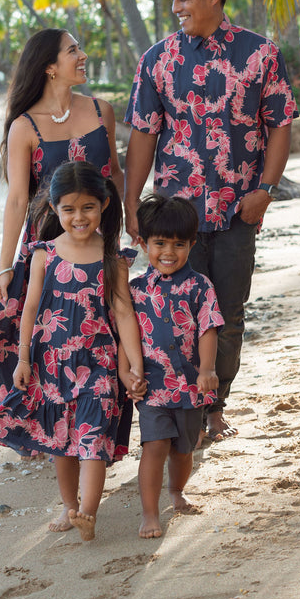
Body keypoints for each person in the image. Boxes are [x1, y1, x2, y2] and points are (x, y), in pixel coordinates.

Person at [124, 0, 297, 443]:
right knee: (171, 312)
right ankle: (181, 411)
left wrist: (265, 191)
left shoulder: (260, 54)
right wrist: (132, 202)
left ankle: (213, 407)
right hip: (176, 216)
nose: (176, 8)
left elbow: (280, 125)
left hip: (239, 210)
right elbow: (143, 133)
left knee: (228, 312)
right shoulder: (158, 60)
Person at [0, 28, 123, 405]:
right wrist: (4, 267)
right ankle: (46, 421)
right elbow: (18, 199)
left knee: (100, 327)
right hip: (45, 251)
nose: (82, 56)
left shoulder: (101, 112)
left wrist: (128, 221)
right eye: (72, 50)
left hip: (99, 238)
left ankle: (93, 415)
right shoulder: (24, 126)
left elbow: (114, 172)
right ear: (49, 67)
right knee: (45, 334)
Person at [0, 162, 145, 542]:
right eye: (69, 209)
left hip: (100, 364)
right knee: (62, 443)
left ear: (104, 204)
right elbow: (29, 309)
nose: (79, 217)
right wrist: (23, 359)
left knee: (93, 441)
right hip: (53, 365)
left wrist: (134, 364)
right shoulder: (45, 254)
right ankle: (68, 505)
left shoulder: (113, 259)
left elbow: (123, 312)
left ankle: (88, 513)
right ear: (54, 209)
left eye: (88, 207)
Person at [129, 194, 223, 539]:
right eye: (159, 243)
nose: (168, 252)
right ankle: (150, 513)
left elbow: (209, 327)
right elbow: (126, 336)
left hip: (189, 384)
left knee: (184, 449)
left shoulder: (200, 286)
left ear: (192, 244)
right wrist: (128, 374)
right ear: (143, 243)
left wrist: (207, 370)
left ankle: (176, 490)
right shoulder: (135, 290)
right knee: (154, 446)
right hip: (152, 385)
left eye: (178, 244)